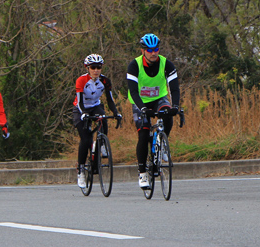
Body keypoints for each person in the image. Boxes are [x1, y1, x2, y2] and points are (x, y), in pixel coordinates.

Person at [127, 33, 180, 190]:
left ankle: (162, 143)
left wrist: (175, 106)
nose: (153, 52)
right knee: (143, 134)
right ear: (143, 50)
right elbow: (133, 91)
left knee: (168, 112)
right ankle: (143, 172)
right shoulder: (134, 65)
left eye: (156, 49)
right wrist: (143, 108)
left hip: (159, 99)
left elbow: (175, 88)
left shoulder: (166, 64)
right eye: (149, 50)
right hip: (140, 101)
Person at [73, 53, 121, 189]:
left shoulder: (105, 81)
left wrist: (116, 113)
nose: (96, 70)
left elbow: (110, 100)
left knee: (103, 118)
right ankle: (81, 170)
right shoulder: (81, 80)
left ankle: (101, 144)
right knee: (86, 139)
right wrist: (83, 114)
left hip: (95, 106)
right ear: (87, 68)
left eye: (98, 67)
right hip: (81, 109)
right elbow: (80, 102)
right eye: (93, 67)